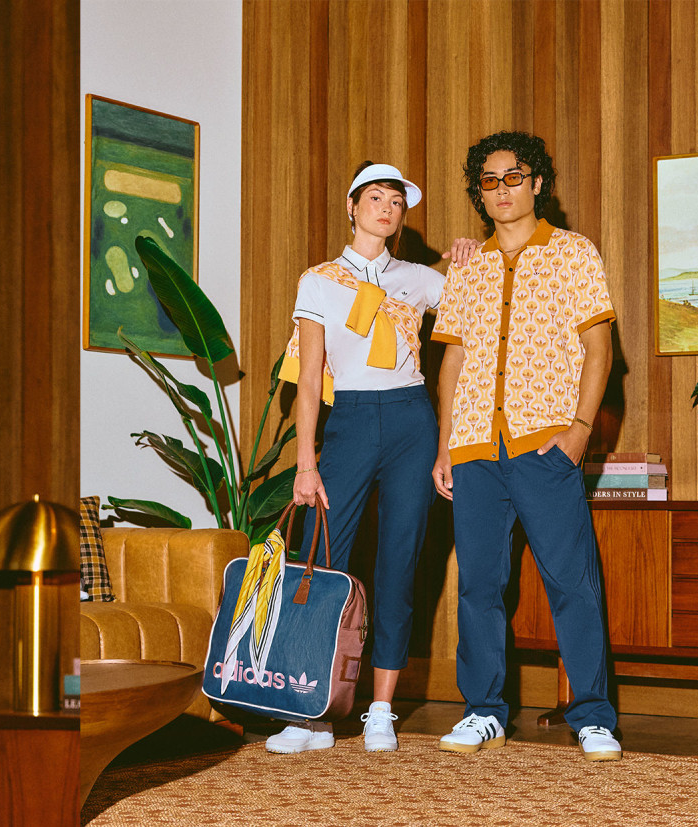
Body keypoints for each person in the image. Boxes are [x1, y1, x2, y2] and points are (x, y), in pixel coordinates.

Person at [265, 162, 475, 754]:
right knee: (319, 557)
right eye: (375, 198)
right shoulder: (319, 281)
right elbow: (309, 381)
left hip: (411, 419)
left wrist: (467, 256)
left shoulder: (421, 279)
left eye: (396, 202)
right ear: (352, 207)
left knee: (400, 561)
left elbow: (483, 306)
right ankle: (308, 710)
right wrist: (306, 463)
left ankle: (380, 708)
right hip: (351, 421)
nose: (386, 208)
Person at [429, 131, 620, 762]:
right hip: (476, 449)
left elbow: (600, 350)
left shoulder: (574, 253)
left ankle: (592, 714)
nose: (503, 190)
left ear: (537, 183)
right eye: (490, 181)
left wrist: (579, 434)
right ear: (479, 194)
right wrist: (445, 446)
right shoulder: (468, 266)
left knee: (573, 584)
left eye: (514, 177)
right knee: (479, 585)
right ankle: (484, 712)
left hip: (547, 447)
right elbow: (452, 361)